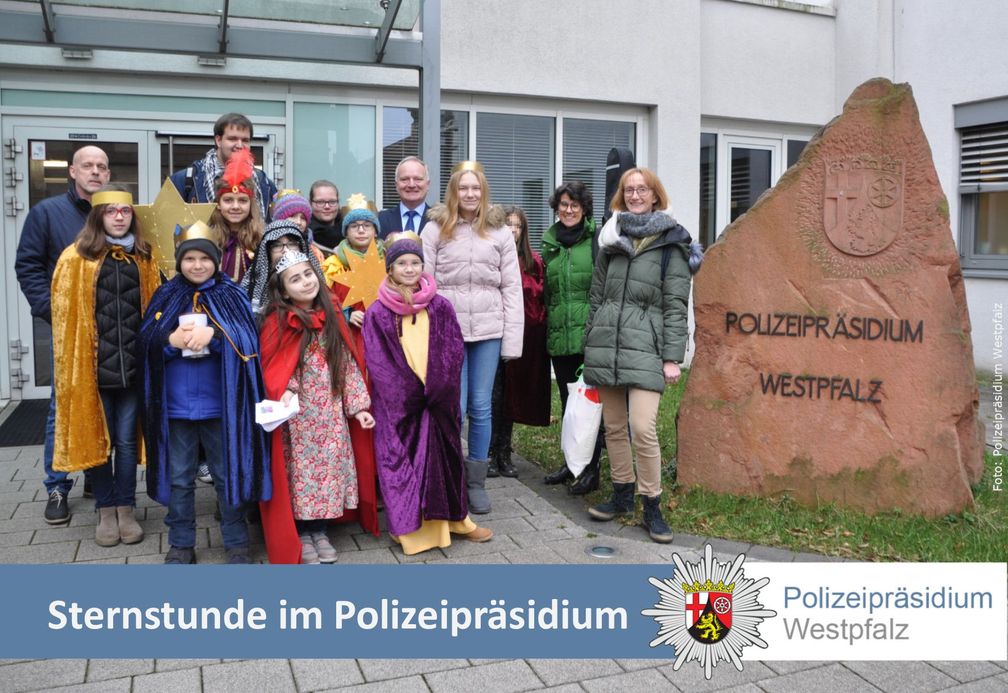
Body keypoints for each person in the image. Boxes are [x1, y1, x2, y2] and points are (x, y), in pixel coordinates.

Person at [138, 221, 271, 564]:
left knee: (227, 475)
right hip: (177, 408)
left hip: (220, 407)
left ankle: (236, 542)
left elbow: (247, 343)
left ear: (215, 260)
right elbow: (146, 340)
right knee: (180, 478)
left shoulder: (231, 294)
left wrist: (216, 338)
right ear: (179, 261)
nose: (197, 265)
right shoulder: (166, 295)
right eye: (189, 259)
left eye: (204, 258)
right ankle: (181, 543)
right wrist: (169, 341)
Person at [582, 168, 702, 543]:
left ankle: (651, 503)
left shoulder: (672, 245)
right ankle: (621, 495)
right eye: (628, 189)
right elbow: (596, 297)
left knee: (642, 428)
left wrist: (672, 357)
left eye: (642, 189)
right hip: (608, 346)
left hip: (647, 350)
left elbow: (675, 306)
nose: (634, 195)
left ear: (655, 195)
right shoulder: (611, 240)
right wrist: (591, 341)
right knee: (614, 426)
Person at [363, 232, 493, 554]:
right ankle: (412, 531)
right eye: (402, 263)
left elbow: (452, 351)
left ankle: (457, 520)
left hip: (437, 401)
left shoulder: (439, 306)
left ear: (423, 265)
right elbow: (379, 361)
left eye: (415, 263)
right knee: (405, 464)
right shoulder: (378, 313)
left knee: (446, 461)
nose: (409, 269)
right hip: (402, 406)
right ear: (390, 269)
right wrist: (407, 394)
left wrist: (439, 389)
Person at [50, 185, 161, 547]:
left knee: (127, 442)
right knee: (99, 441)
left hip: (131, 369)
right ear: (97, 216)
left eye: (124, 211)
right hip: (92, 370)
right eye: (110, 211)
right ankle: (105, 509)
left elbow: (154, 310)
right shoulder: (75, 258)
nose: (118, 216)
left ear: (133, 216)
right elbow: (65, 317)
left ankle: (126, 508)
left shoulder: (144, 257)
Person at [258, 250, 375, 564]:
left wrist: (359, 407)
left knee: (329, 475)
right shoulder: (278, 321)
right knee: (300, 476)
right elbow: (279, 365)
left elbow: (347, 364)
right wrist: (285, 391)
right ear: (283, 290)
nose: (305, 282)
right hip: (298, 420)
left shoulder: (333, 314)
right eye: (295, 279)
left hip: (332, 416)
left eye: (308, 274)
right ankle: (301, 532)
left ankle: (320, 530)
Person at [14, 145, 111, 524]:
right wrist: (51, 310)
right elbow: (29, 265)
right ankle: (56, 485)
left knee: (101, 406)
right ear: (72, 171)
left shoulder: (114, 213)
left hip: (109, 331)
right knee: (63, 407)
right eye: (88, 165)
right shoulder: (47, 213)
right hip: (69, 332)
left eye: (102, 166)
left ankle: (94, 474)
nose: (95, 172)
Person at [420, 161, 523, 514]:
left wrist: (512, 341)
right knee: (454, 406)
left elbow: (512, 287)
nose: (469, 194)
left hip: (488, 331)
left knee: (480, 406)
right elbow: (424, 283)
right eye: (463, 188)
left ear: (483, 191)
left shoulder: (499, 232)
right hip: (448, 332)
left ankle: (476, 480)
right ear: (453, 191)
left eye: (475, 188)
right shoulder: (435, 229)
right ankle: (450, 476)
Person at [541, 181, 605, 494]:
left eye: (574, 205)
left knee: (591, 405)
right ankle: (572, 464)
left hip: (589, 337)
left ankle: (592, 470)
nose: (568, 210)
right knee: (569, 405)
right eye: (563, 205)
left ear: (584, 209)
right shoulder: (549, 244)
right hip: (560, 337)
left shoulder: (596, 241)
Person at [488, 207, 550, 478]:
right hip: (493, 333)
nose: (512, 230)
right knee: (493, 397)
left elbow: (540, 296)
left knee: (513, 397)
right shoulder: (491, 255)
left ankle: (505, 452)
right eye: (508, 225)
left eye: (517, 226)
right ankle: (489, 452)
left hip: (523, 337)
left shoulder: (533, 261)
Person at [170, 112, 277, 221]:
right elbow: (167, 224)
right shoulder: (186, 180)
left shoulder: (263, 182)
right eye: (232, 139)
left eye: (245, 140)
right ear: (219, 140)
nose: (240, 145)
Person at [322, 195, 385, 333]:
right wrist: (346, 314)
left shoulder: (389, 260)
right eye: (354, 226)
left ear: (375, 232)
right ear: (346, 233)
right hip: (348, 336)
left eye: (367, 225)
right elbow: (322, 301)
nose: (361, 230)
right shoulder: (333, 264)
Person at [243, 219, 325, 315]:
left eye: (292, 244)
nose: (286, 251)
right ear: (267, 251)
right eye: (277, 245)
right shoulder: (251, 288)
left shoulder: (314, 281)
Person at [209, 149, 264, 285]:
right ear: (218, 204)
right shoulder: (208, 238)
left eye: (242, 200)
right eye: (228, 200)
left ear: (250, 204)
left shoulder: (261, 241)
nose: (235, 206)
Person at [377, 156, 432, 239]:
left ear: (427, 184)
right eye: (405, 179)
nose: (411, 185)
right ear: (396, 185)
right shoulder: (381, 219)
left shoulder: (439, 220)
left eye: (418, 179)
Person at [308, 180, 342, 252]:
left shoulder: (351, 231)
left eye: (332, 202)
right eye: (320, 202)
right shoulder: (304, 236)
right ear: (310, 203)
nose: (327, 206)